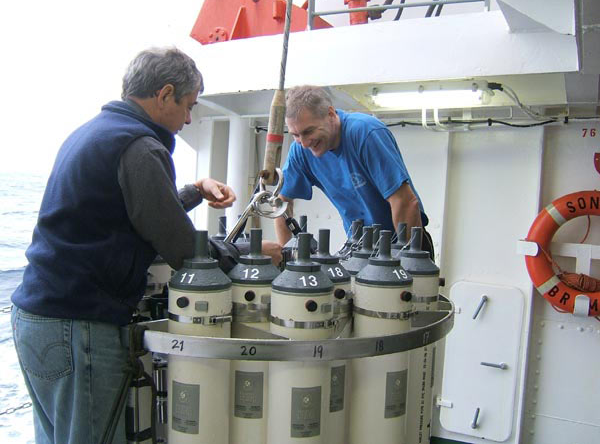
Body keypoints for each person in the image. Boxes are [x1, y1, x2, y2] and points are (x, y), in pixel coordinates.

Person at [11, 47, 281, 444]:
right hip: (79, 326)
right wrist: (252, 255)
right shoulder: (139, 146)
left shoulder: (95, 132)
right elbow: (184, 251)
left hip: (36, 320)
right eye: (187, 106)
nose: (189, 119)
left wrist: (194, 190)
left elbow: (127, 207)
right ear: (165, 93)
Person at [275, 85, 433, 257]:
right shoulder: (300, 151)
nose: (304, 143)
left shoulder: (365, 133)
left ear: (330, 114)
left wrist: (403, 262)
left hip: (403, 243)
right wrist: (288, 259)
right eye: (295, 135)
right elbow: (280, 204)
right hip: (359, 248)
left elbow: (405, 202)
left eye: (309, 131)